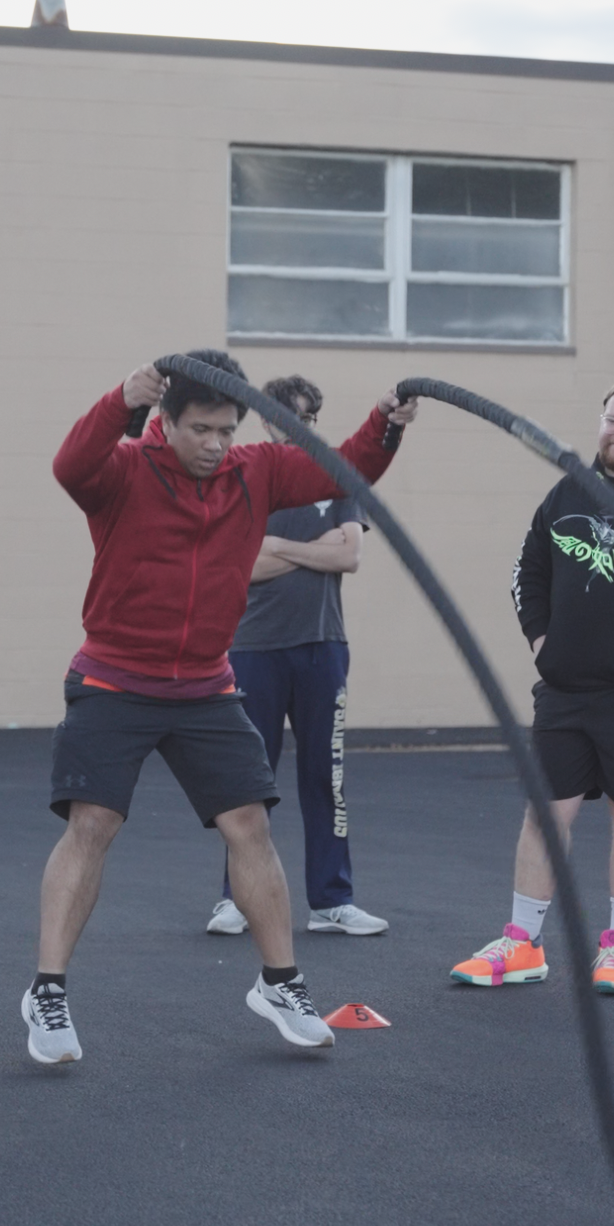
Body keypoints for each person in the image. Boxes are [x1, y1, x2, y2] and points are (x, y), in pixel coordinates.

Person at [22, 350, 418, 1064]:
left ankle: (280, 983)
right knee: (93, 824)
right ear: (165, 422)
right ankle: (47, 992)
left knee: (249, 827)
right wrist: (120, 400)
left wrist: (384, 426)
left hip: (205, 684)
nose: (214, 444)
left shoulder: (254, 473)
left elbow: (339, 469)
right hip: (114, 678)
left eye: (226, 430)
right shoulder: (122, 472)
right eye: (200, 428)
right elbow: (67, 466)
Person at [451, 374, 614, 995]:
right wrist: (542, 641)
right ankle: (521, 944)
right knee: (547, 810)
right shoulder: (569, 492)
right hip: (565, 687)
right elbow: (527, 570)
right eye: (610, 418)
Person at [206, 374, 388, 939]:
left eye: (308, 419)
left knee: (325, 779)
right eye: (289, 418)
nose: (300, 428)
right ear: (265, 419)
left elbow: (351, 555)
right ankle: (235, 899)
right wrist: (313, 551)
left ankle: (332, 901)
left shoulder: (335, 473)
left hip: (322, 647)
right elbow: (239, 565)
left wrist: (276, 546)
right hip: (253, 649)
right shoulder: (243, 473)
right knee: (247, 783)